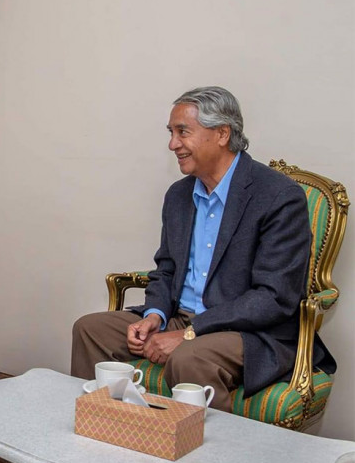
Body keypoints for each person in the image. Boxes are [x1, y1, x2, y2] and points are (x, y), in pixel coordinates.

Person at [70, 86, 336, 412]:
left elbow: (274, 297)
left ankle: (209, 446)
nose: (173, 144)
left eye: (183, 132)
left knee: (190, 357)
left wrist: (192, 333)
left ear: (222, 134)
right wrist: (154, 315)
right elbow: (166, 268)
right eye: (171, 133)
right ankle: (106, 428)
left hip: (247, 330)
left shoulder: (278, 196)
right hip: (180, 318)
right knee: (90, 329)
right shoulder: (178, 195)